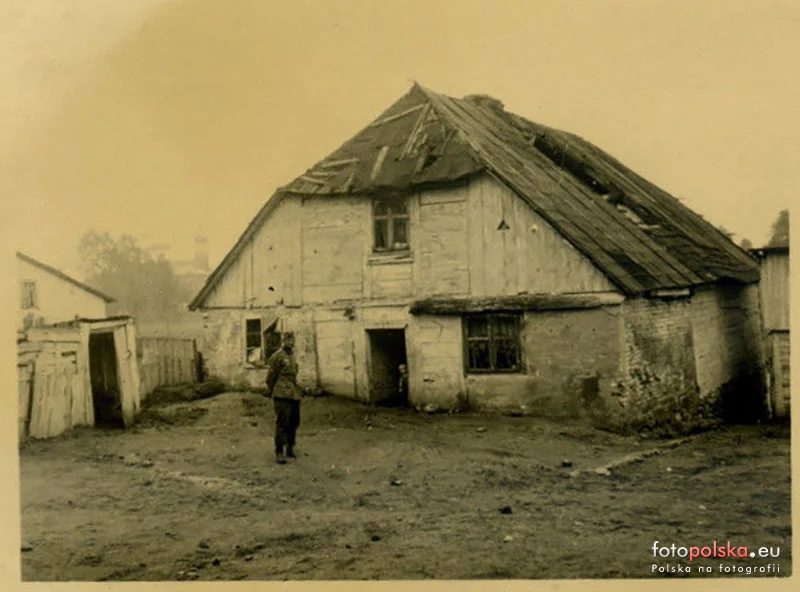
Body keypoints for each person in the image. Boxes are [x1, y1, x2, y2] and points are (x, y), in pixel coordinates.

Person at [265, 332, 302, 464]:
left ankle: (290, 448)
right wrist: (273, 390)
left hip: (293, 393)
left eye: (293, 340)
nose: (291, 343)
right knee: (282, 422)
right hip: (281, 394)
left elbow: (294, 375)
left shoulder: (292, 356)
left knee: (294, 421)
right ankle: (279, 452)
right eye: (288, 340)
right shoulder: (277, 356)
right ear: (283, 341)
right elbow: (270, 377)